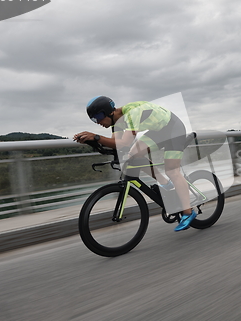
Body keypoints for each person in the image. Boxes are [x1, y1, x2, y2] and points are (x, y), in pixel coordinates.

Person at [73, 95, 196, 232]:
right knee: (133, 155)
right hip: (159, 131)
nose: (98, 122)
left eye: (98, 116)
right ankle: (166, 184)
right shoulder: (117, 123)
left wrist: (96, 136)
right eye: (93, 119)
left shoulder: (131, 113)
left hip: (173, 128)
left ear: (109, 111)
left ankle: (188, 212)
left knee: (172, 170)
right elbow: (115, 144)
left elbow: (124, 142)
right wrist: (92, 141)